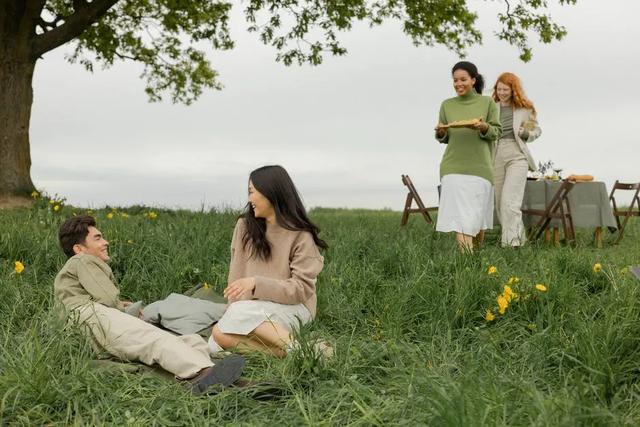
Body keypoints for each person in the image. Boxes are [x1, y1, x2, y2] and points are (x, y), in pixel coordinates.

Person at [53, 215, 244, 394]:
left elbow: (104, 299)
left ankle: (217, 377)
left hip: (87, 323)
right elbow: (108, 299)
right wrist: (125, 308)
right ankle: (202, 372)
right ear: (79, 249)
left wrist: (121, 306)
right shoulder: (83, 260)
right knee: (151, 338)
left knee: (188, 339)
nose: (105, 242)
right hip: (89, 316)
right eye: (98, 238)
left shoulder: (77, 266)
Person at [210, 165, 328, 358]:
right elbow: (236, 276)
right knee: (217, 337)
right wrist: (234, 310)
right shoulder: (244, 227)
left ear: (270, 193)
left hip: (294, 307)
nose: (249, 199)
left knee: (234, 320)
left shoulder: (300, 234)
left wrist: (257, 283)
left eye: (252, 192)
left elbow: (301, 290)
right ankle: (289, 353)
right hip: (249, 307)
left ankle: (294, 347)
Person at [434, 61, 502, 252]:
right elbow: (444, 137)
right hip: (452, 167)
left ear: (473, 80)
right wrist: (440, 132)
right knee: (462, 221)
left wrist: (482, 127)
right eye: (455, 80)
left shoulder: (487, 103)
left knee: (477, 220)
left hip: (480, 169)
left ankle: (475, 259)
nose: (458, 84)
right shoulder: (447, 105)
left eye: (463, 79)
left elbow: (496, 132)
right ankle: (467, 268)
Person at [491, 72, 542, 247]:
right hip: (496, 155)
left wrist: (526, 133)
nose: (502, 93)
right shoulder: (491, 107)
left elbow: (535, 130)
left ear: (514, 90)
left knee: (509, 201)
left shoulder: (524, 110)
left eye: (506, 89)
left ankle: (512, 245)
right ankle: (518, 239)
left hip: (517, 155)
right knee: (499, 203)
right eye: (499, 89)